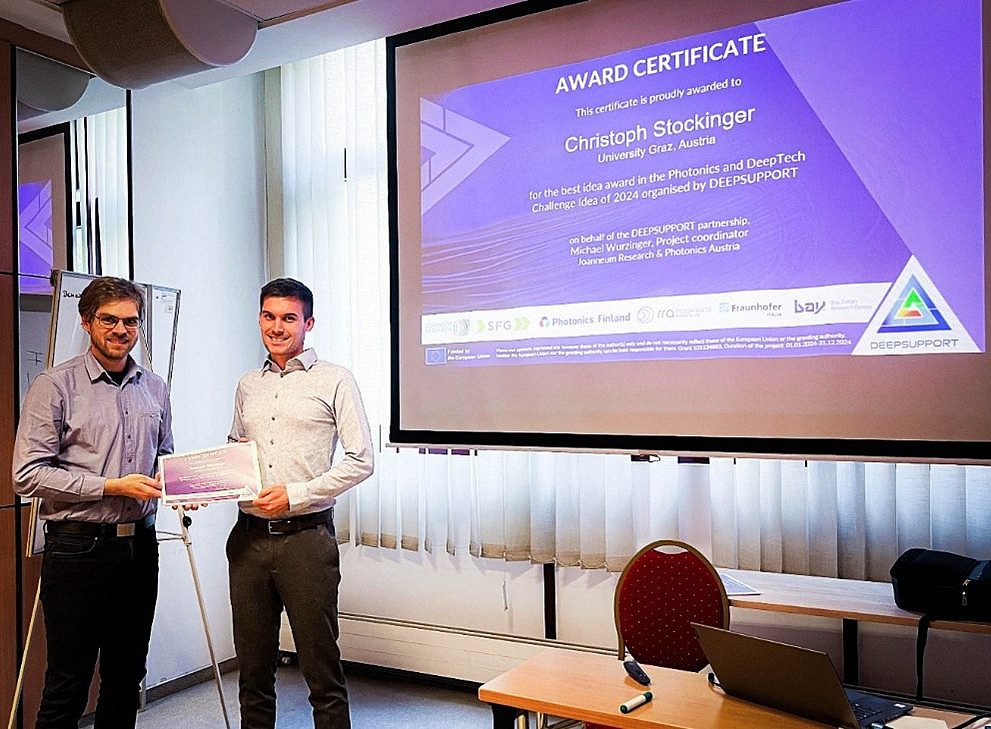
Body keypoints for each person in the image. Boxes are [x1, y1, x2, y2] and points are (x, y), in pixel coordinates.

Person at [12, 276, 173, 729]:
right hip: (77, 547)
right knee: (69, 681)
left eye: (131, 321)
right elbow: (26, 475)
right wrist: (111, 486)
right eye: (109, 320)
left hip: (140, 549)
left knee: (126, 678)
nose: (121, 330)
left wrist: (179, 486)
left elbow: (164, 455)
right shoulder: (55, 386)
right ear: (86, 322)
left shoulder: (154, 387)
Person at [227, 277, 374, 729]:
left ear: (308, 323)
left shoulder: (335, 380)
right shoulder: (248, 384)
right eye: (269, 317)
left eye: (289, 318)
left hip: (305, 541)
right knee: (252, 673)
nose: (277, 327)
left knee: (321, 672)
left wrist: (297, 493)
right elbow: (235, 451)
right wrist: (200, 490)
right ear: (259, 320)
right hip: (247, 542)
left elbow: (361, 461)